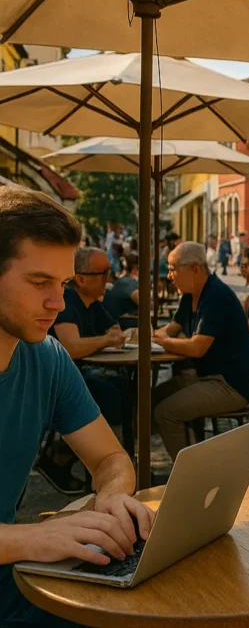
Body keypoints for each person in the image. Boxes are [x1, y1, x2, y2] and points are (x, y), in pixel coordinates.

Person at [0, 187, 154, 628]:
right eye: (39, 282)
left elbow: (109, 457)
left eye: (63, 283)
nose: (58, 302)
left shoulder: (46, 357)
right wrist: (35, 537)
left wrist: (111, 498)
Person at [152, 241, 249, 461]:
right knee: (149, 399)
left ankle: (190, 473)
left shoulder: (215, 296)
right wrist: (153, 335)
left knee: (166, 413)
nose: (169, 275)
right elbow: (171, 329)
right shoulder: (190, 294)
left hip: (229, 384)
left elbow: (197, 348)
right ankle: (167, 452)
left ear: (195, 268)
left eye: (173, 269)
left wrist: (163, 341)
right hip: (205, 377)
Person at [45, 247, 129, 492]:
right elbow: (71, 347)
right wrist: (104, 340)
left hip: (80, 373)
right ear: (81, 278)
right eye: (103, 273)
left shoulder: (92, 303)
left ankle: (66, 456)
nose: (109, 279)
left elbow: (114, 329)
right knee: (108, 393)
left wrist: (108, 336)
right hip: (58, 380)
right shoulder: (68, 302)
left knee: (122, 387)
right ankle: (99, 470)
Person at [103, 252, 140, 327]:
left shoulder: (122, 282)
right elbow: (143, 302)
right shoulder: (127, 282)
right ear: (135, 269)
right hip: (120, 325)